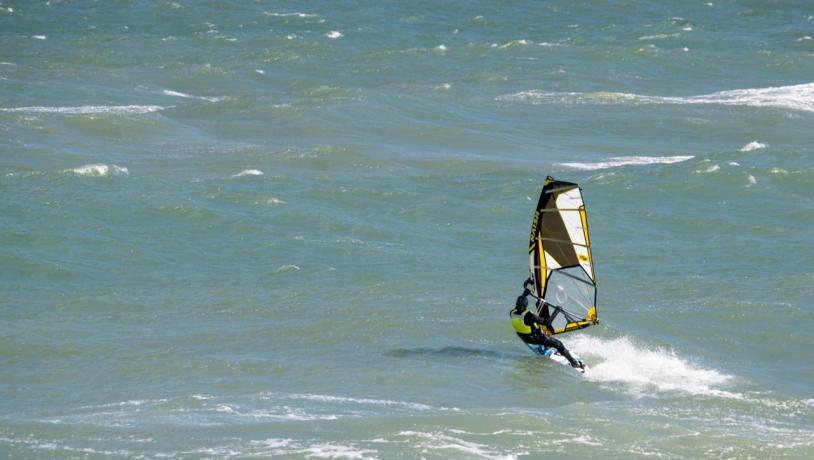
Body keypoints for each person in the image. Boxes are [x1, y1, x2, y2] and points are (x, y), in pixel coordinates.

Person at [510, 284, 585, 370]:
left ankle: (545, 344)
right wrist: (556, 311)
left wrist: (524, 294)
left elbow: (520, 304)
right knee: (559, 344)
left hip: (523, 337)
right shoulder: (529, 315)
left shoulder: (512, 312)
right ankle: (574, 363)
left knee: (537, 327)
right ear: (526, 305)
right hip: (533, 339)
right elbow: (547, 323)